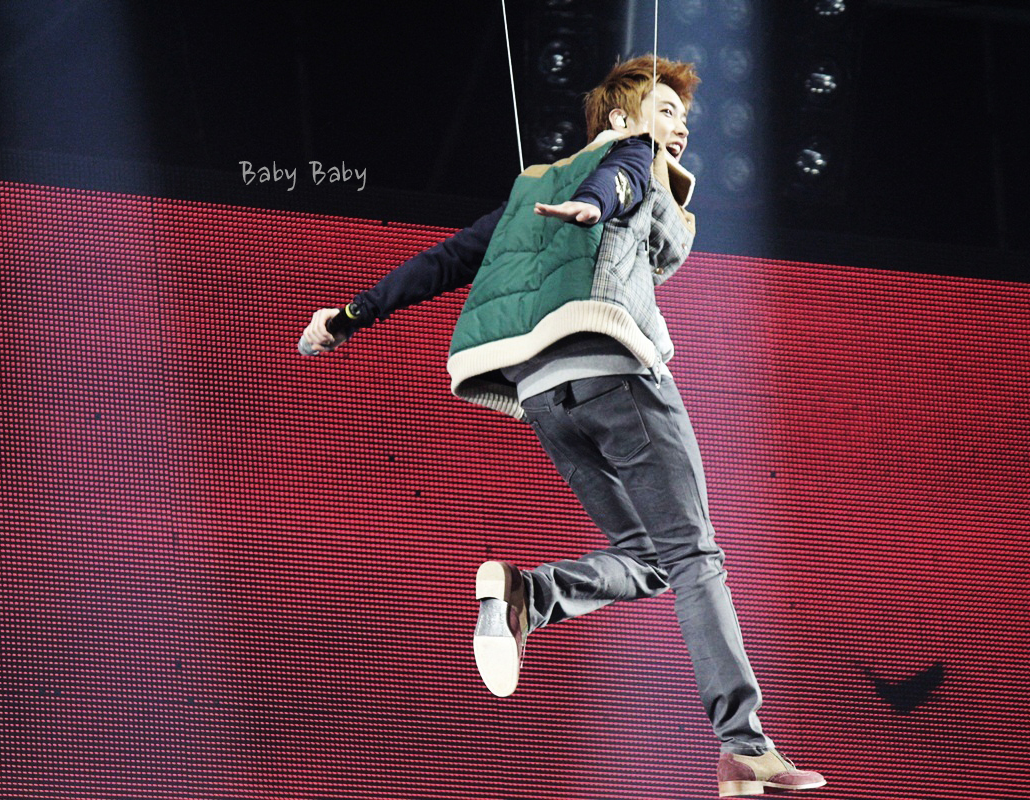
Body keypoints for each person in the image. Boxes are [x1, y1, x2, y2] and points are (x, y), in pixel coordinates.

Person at [298, 55, 826, 798]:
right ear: (622, 118)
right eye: (666, 111)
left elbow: (447, 260)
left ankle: (526, 595)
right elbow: (623, 179)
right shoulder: (630, 156)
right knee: (695, 557)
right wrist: (595, 205)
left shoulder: (528, 190)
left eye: (683, 116)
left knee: (649, 558)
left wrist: (351, 315)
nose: (679, 127)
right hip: (617, 375)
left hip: (544, 396)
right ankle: (744, 744)